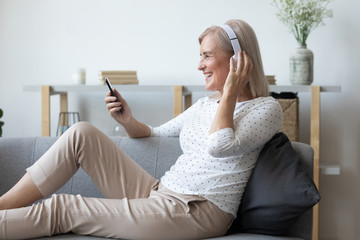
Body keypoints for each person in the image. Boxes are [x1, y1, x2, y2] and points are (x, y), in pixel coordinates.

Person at [0, 19, 283, 239]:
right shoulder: (205, 104)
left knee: (63, 208)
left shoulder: (267, 109)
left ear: (238, 59)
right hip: (160, 193)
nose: (199, 65)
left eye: (207, 56)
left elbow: (219, 144)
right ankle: (4, 204)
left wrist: (231, 90)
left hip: (197, 211)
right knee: (81, 134)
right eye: (200, 56)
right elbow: (156, 133)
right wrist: (127, 121)